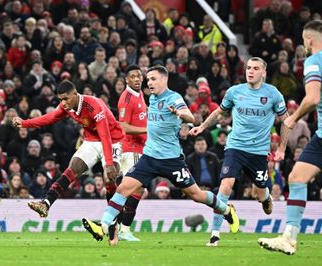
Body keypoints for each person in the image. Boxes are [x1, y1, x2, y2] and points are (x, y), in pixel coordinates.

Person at [82, 66, 239, 246]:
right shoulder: (153, 98)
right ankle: (103, 226)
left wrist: (181, 114)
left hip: (171, 160)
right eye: (148, 79)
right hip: (149, 157)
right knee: (123, 188)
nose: (149, 83)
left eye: (153, 79)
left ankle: (226, 210)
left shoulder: (174, 98)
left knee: (196, 195)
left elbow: (190, 117)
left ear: (164, 80)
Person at [190, 57, 290, 247]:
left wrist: (283, 148)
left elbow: (286, 120)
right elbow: (219, 112)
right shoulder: (235, 92)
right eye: (248, 68)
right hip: (235, 147)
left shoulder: (273, 94)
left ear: (264, 73)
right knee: (225, 185)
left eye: (255, 68)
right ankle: (215, 234)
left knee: (261, 196)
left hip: (259, 152)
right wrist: (202, 126)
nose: (251, 71)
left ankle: (265, 196)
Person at [12, 80, 124, 218]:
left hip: (112, 140)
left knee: (109, 178)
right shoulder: (67, 106)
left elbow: (105, 135)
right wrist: (24, 123)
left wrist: (109, 163)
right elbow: (49, 118)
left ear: (75, 94)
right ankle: (46, 203)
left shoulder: (94, 105)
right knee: (73, 168)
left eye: (66, 98)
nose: (63, 103)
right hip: (92, 141)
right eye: (60, 99)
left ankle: (113, 219)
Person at [258, 20, 322, 255]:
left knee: (297, 178)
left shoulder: (314, 60)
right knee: (296, 177)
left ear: (309, 39)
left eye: (304, 40)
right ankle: (289, 237)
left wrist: (292, 119)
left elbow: (313, 98)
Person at [116, 64, 147, 241]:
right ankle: (123, 228)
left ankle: (116, 225)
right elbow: (123, 126)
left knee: (132, 189)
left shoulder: (140, 94)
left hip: (140, 148)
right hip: (131, 148)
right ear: (126, 80)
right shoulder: (126, 99)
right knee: (135, 188)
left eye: (138, 76)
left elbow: (141, 116)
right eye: (132, 77)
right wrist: (146, 130)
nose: (136, 79)